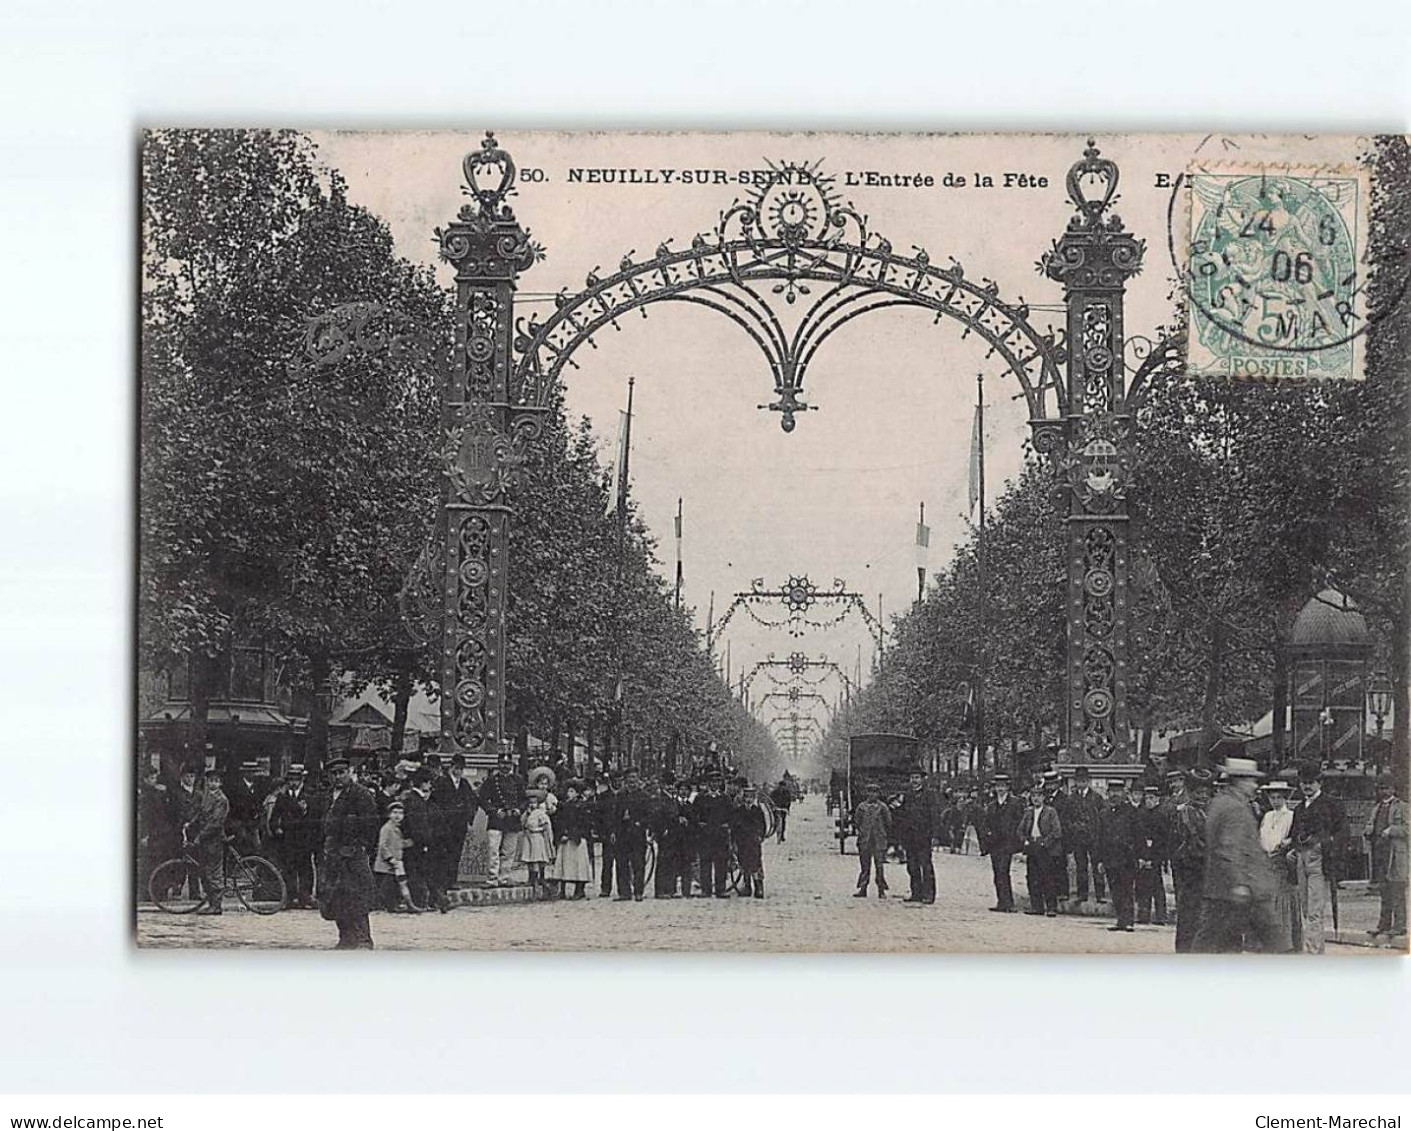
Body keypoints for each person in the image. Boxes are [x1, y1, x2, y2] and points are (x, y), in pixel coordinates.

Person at [1191, 757, 1284, 954]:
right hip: (1241, 887)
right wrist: (1239, 883)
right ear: (1239, 781)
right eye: (1251, 781)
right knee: (1273, 938)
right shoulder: (1235, 808)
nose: (1254, 786)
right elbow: (1229, 848)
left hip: (1221, 887)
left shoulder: (1220, 802)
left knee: (1215, 939)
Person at [320, 755, 380, 950]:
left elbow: (371, 824)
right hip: (333, 854)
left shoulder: (361, 794)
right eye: (334, 773)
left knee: (358, 897)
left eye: (342, 772)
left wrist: (361, 847)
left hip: (353, 855)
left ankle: (364, 939)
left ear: (350, 772)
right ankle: (346, 938)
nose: (338, 777)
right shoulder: (328, 795)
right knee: (335, 896)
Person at [1171, 769, 1213, 952]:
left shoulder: (1211, 812)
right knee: (1189, 913)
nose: (1202, 796)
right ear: (1190, 792)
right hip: (1191, 869)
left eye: (1205, 792)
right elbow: (1193, 841)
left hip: (1206, 870)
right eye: (1198, 792)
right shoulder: (1186, 813)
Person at [270, 764, 319, 909]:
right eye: (290, 779)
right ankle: (289, 897)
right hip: (288, 838)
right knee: (289, 868)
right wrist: (276, 828)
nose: (293, 782)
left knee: (305, 868)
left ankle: (305, 897)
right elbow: (274, 816)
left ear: (301, 779)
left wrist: (313, 835)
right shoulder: (283, 796)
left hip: (304, 838)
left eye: (296, 779)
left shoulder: (310, 794)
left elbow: (315, 816)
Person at [1258, 780, 1298, 952]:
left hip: (1281, 860)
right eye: (1272, 797)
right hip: (1266, 860)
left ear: (1285, 798)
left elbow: (1292, 837)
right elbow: (1262, 837)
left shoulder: (1290, 816)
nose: (1275, 801)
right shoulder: (1267, 816)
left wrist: (1284, 846)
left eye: (1279, 797)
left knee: (1282, 900)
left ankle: (1286, 942)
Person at [429, 753, 477, 898]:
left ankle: (452, 880)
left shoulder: (464, 784)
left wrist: (469, 816)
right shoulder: (442, 782)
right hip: (445, 825)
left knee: (456, 852)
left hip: (459, 825)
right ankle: (442, 882)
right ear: (451, 768)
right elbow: (436, 802)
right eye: (456, 768)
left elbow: (473, 800)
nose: (459, 772)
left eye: (461, 769)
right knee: (444, 853)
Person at [1365, 781, 1407, 940]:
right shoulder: (1376, 808)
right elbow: (1370, 825)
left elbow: (1408, 828)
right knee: (1384, 892)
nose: (1384, 791)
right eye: (1381, 788)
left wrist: (1392, 830)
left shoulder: (1402, 806)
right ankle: (1384, 925)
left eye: (1387, 787)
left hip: (1396, 856)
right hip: (1380, 854)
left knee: (1397, 890)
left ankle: (1400, 926)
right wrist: (1368, 830)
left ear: (1393, 788)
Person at [478, 750, 526, 887]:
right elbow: (482, 799)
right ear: (498, 764)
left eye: (508, 763)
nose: (505, 766)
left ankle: (504, 877)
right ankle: (492, 878)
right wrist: (494, 811)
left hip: (512, 820)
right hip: (496, 820)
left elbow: (525, 800)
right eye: (502, 763)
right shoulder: (491, 781)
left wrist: (519, 810)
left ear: (512, 764)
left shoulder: (518, 780)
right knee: (493, 850)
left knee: (509, 851)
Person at [1097, 779, 1140, 932]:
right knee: (1115, 890)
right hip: (1109, 858)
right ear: (1107, 793)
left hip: (1126, 858)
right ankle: (1120, 919)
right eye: (1112, 791)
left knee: (1127, 889)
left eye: (1118, 791)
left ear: (1123, 793)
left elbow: (1137, 836)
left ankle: (1129, 920)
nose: (1114, 794)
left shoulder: (1131, 812)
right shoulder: (1104, 813)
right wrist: (1100, 860)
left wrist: (1138, 856)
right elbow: (1100, 837)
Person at [186, 769, 230, 915]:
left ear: (220, 783)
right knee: (204, 871)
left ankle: (217, 905)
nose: (213, 783)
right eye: (210, 780)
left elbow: (215, 823)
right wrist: (190, 823)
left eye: (216, 781)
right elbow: (200, 813)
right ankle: (211, 902)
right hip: (205, 840)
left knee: (213, 872)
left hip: (214, 840)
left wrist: (199, 837)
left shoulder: (221, 800)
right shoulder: (206, 796)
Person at [402, 769, 444, 912]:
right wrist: (425, 841)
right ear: (424, 783)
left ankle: (434, 901)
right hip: (418, 844)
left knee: (420, 873)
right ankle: (422, 902)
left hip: (416, 842)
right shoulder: (417, 801)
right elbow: (419, 825)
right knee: (418, 873)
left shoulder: (413, 799)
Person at [1018, 783, 1063, 916]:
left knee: (1048, 878)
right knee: (1032, 877)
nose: (1036, 799)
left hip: (1046, 848)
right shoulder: (1028, 812)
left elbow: (1057, 831)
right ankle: (1036, 906)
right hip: (1032, 845)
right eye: (1033, 796)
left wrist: (1045, 843)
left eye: (1039, 796)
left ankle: (1051, 907)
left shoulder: (1050, 812)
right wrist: (1025, 840)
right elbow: (1020, 830)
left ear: (1044, 798)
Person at [980, 773, 1023, 913]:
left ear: (1008, 787)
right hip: (995, 843)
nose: (1000, 789)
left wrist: (1015, 838)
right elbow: (985, 823)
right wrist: (988, 836)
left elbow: (1019, 821)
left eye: (1003, 786)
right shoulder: (991, 805)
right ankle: (1001, 901)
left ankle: (1008, 903)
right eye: (998, 786)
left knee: (1004, 871)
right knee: (997, 872)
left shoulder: (1015, 803)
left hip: (1007, 842)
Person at [1063, 767, 1105, 904]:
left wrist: (1093, 830)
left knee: (1096, 865)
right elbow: (1066, 818)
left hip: (1093, 837)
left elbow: (1102, 817)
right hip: (1078, 838)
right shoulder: (1071, 799)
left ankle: (1100, 894)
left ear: (1089, 781)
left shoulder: (1097, 798)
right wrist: (1075, 827)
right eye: (1079, 781)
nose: (1081, 784)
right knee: (1081, 866)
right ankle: (1082, 894)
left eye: (1084, 781)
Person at [895, 768, 937, 904]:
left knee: (925, 865)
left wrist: (934, 835)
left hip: (924, 836)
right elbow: (902, 815)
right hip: (909, 836)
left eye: (917, 777)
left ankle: (929, 894)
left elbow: (934, 815)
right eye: (912, 777)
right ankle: (916, 893)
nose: (914, 780)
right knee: (912, 866)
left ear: (922, 779)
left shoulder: (929, 795)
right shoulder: (907, 795)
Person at [547, 779, 593, 900]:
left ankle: (580, 889)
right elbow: (560, 821)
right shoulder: (564, 806)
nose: (569, 794)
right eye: (568, 791)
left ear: (577, 793)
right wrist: (562, 833)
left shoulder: (582, 806)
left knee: (578, 864)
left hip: (577, 838)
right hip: (565, 838)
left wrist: (572, 834)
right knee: (564, 863)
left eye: (572, 791)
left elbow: (583, 823)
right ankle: (562, 890)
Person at [373, 800, 419, 913]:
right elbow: (383, 845)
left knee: (400, 883)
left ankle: (408, 904)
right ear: (389, 814)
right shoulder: (386, 828)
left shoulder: (397, 829)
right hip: (387, 864)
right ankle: (390, 905)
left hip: (396, 863)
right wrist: (390, 859)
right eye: (394, 812)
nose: (397, 816)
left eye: (400, 813)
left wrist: (409, 842)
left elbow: (396, 843)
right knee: (388, 887)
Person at [693, 770, 733, 899]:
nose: (714, 784)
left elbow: (731, 816)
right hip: (705, 836)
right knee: (705, 861)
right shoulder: (700, 798)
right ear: (708, 783)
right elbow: (694, 815)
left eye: (717, 782)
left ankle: (720, 889)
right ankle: (706, 889)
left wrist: (727, 825)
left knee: (721, 862)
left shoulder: (725, 798)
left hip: (720, 836)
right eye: (712, 782)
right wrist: (699, 825)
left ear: (720, 783)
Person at [613, 768, 651, 901]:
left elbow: (649, 815)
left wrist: (640, 823)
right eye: (629, 778)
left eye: (634, 778)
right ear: (626, 780)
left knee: (638, 864)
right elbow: (614, 815)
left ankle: (638, 891)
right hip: (622, 834)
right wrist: (614, 830)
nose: (632, 781)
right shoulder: (620, 796)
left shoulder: (644, 796)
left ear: (638, 779)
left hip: (637, 835)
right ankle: (624, 892)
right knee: (622, 864)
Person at [1135, 785, 1170, 926]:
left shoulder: (1161, 815)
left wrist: (1155, 859)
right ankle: (1144, 914)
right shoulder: (1141, 814)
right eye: (1147, 798)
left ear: (1157, 799)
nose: (1148, 801)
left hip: (1155, 856)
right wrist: (1141, 857)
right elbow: (1137, 836)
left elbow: (1163, 839)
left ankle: (1161, 915)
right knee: (1143, 886)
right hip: (1143, 855)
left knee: (1157, 887)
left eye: (1152, 798)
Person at [650, 772, 687, 898]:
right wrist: (662, 829)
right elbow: (657, 817)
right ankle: (660, 890)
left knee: (672, 861)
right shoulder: (660, 799)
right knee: (663, 861)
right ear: (662, 785)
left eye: (672, 784)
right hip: (665, 833)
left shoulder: (672, 798)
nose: (670, 787)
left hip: (674, 834)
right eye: (667, 784)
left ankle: (670, 889)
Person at [852, 779, 891, 898]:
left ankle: (881, 890)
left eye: (875, 792)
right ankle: (863, 888)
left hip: (879, 840)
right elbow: (857, 822)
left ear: (878, 794)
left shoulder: (883, 807)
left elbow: (888, 822)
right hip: (865, 840)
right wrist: (864, 831)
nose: (872, 795)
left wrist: (882, 833)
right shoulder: (861, 807)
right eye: (870, 792)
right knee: (865, 865)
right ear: (866, 793)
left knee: (879, 865)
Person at [732, 780, 767, 898]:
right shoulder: (739, 811)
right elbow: (735, 826)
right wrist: (735, 840)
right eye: (746, 797)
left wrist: (760, 836)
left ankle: (759, 887)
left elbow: (763, 825)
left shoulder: (757, 811)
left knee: (756, 863)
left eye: (751, 797)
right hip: (742, 841)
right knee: (744, 863)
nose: (748, 800)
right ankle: (747, 887)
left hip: (753, 841)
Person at [595, 772, 625, 899]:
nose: (618, 783)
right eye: (616, 781)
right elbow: (599, 817)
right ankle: (605, 888)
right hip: (607, 833)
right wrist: (602, 832)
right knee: (607, 862)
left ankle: (622, 889)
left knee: (621, 862)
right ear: (611, 782)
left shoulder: (624, 796)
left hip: (622, 833)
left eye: (620, 781)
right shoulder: (604, 797)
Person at [519, 792, 555, 890]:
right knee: (529, 858)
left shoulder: (540, 813)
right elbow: (522, 823)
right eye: (530, 803)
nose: (532, 805)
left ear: (538, 804)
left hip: (537, 837)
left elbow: (546, 825)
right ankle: (531, 877)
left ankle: (541, 877)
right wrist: (526, 814)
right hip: (528, 837)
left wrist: (538, 830)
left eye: (534, 803)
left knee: (538, 858)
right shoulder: (527, 813)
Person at [770, 778, 794, 843]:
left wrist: (787, 808)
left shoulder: (787, 792)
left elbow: (788, 801)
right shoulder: (774, 792)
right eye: (781, 786)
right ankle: (777, 834)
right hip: (776, 809)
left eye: (783, 786)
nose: (782, 788)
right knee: (777, 822)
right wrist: (773, 807)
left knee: (783, 822)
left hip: (783, 809)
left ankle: (782, 835)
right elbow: (771, 800)